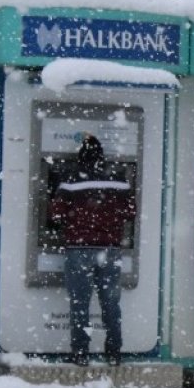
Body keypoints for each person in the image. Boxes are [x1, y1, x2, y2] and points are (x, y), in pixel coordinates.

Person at [49, 135, 137, 367]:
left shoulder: (69, 180)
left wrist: (76, 220)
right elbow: (130, 213)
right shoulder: (119, 181)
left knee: (80, 303)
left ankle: (80, 353)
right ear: (103, 157)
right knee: (110, 303)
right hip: (110, 250)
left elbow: (55, 216)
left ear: (80, 157)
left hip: (78, 249)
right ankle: (114, 352)